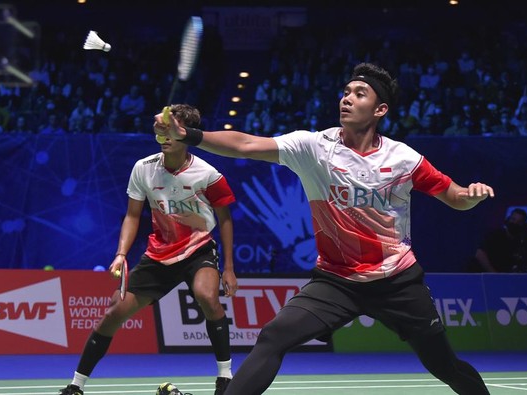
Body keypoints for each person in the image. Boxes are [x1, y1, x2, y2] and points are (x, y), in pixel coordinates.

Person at [155, 63, 494, 395]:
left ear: (380, 109)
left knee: (443, 364)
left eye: (359, 94)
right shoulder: (314, 148)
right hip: (336, 281)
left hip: (397, 282)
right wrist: (190, 136)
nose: (347, 98)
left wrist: (470, 196)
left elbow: (453, 196)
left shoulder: (404, 159)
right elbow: (244, 144)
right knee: (274, 336)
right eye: (346, 92)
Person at [59, 104, 238, 395]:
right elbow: (132, 215)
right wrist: (120, 253)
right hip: (159, 254)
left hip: (199, 249)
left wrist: (228, 268)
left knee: (207, 297)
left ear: (186, 135)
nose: (165, 136)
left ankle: (225, 376)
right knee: (113, 313)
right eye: (162, 130)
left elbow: (225, 219)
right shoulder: (143, 168)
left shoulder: (207, 174)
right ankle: (76, 385)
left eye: (172, 131)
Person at [468, 208, 527, 273]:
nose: (515, 223)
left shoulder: (520, 241)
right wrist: (494, 274)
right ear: (508, 219)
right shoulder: (496, 235)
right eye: (513, 219)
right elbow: (479, 254)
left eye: (519, 222)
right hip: (481, 276)